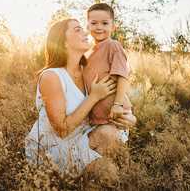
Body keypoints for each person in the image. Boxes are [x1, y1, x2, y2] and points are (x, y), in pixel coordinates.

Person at [25, 18, 136, 174]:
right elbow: (62, 130)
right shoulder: (52, 76)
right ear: (63, 42)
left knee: (110, 136)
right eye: (77, 30)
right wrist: (94, 97)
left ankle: (94, 173)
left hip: (82, 138)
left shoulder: (89, 71)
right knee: (107, 173)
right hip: (54, 147)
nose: (86, 32)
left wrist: (130, 119)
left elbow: (123, 103)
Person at [83, 3, 134, 151]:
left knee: (102, 153)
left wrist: (117, 104)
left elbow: (122, 76)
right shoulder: (88, 53)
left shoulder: (113, 46)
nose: (99, 27)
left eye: (105, 23)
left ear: (113, 27)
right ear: (87, 26)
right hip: (99, 118)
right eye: (94, 23)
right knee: (95, 155)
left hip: (115, 114)